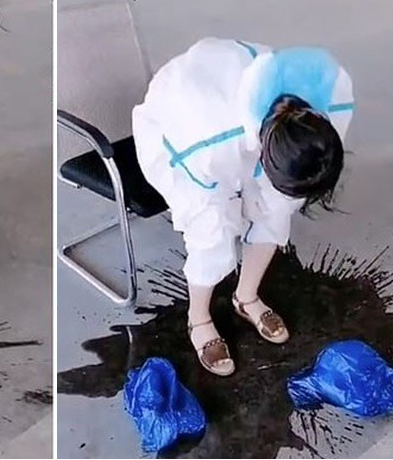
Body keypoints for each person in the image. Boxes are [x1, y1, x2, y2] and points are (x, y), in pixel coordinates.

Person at [132, 38, 354, 376]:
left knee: (275, 211)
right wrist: (229, 210)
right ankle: (198, 318)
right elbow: (202, 206)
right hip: (174, 131)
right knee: (212, 232)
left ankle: (246, 297)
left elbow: (292, 186)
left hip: (243, 110)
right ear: (264, 156)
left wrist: (278, 198)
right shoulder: (207, 141)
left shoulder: (332, 96)